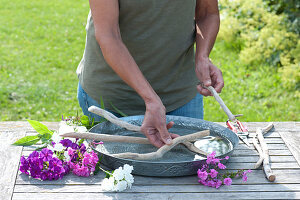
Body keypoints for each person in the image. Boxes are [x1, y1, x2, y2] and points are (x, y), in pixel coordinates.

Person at [77, 0, 224, 148]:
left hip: (180, 94)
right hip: (113, 98)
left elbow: (207, 13)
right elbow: (108, 36)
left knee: (188, 168)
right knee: (109, 170)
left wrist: (202, 56)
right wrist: (150, 98)